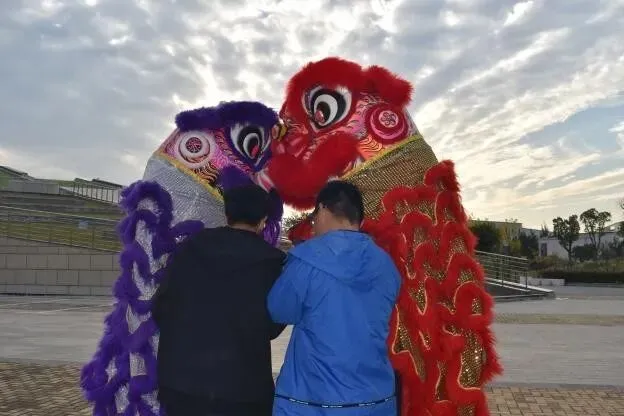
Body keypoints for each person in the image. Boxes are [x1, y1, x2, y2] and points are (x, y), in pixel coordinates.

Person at [268, 180, 401, 416]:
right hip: (374, 400)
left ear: (322, 209)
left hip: (312, 400)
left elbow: (278, 309)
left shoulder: (306, 260)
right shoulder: (386, 265)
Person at [153, 184, 286, 416]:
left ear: (227, 214)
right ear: (263, 220)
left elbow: (161, 307)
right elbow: (273, 325)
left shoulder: (190, 248)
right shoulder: (273, 262)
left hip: (181, 384)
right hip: (242, 389)